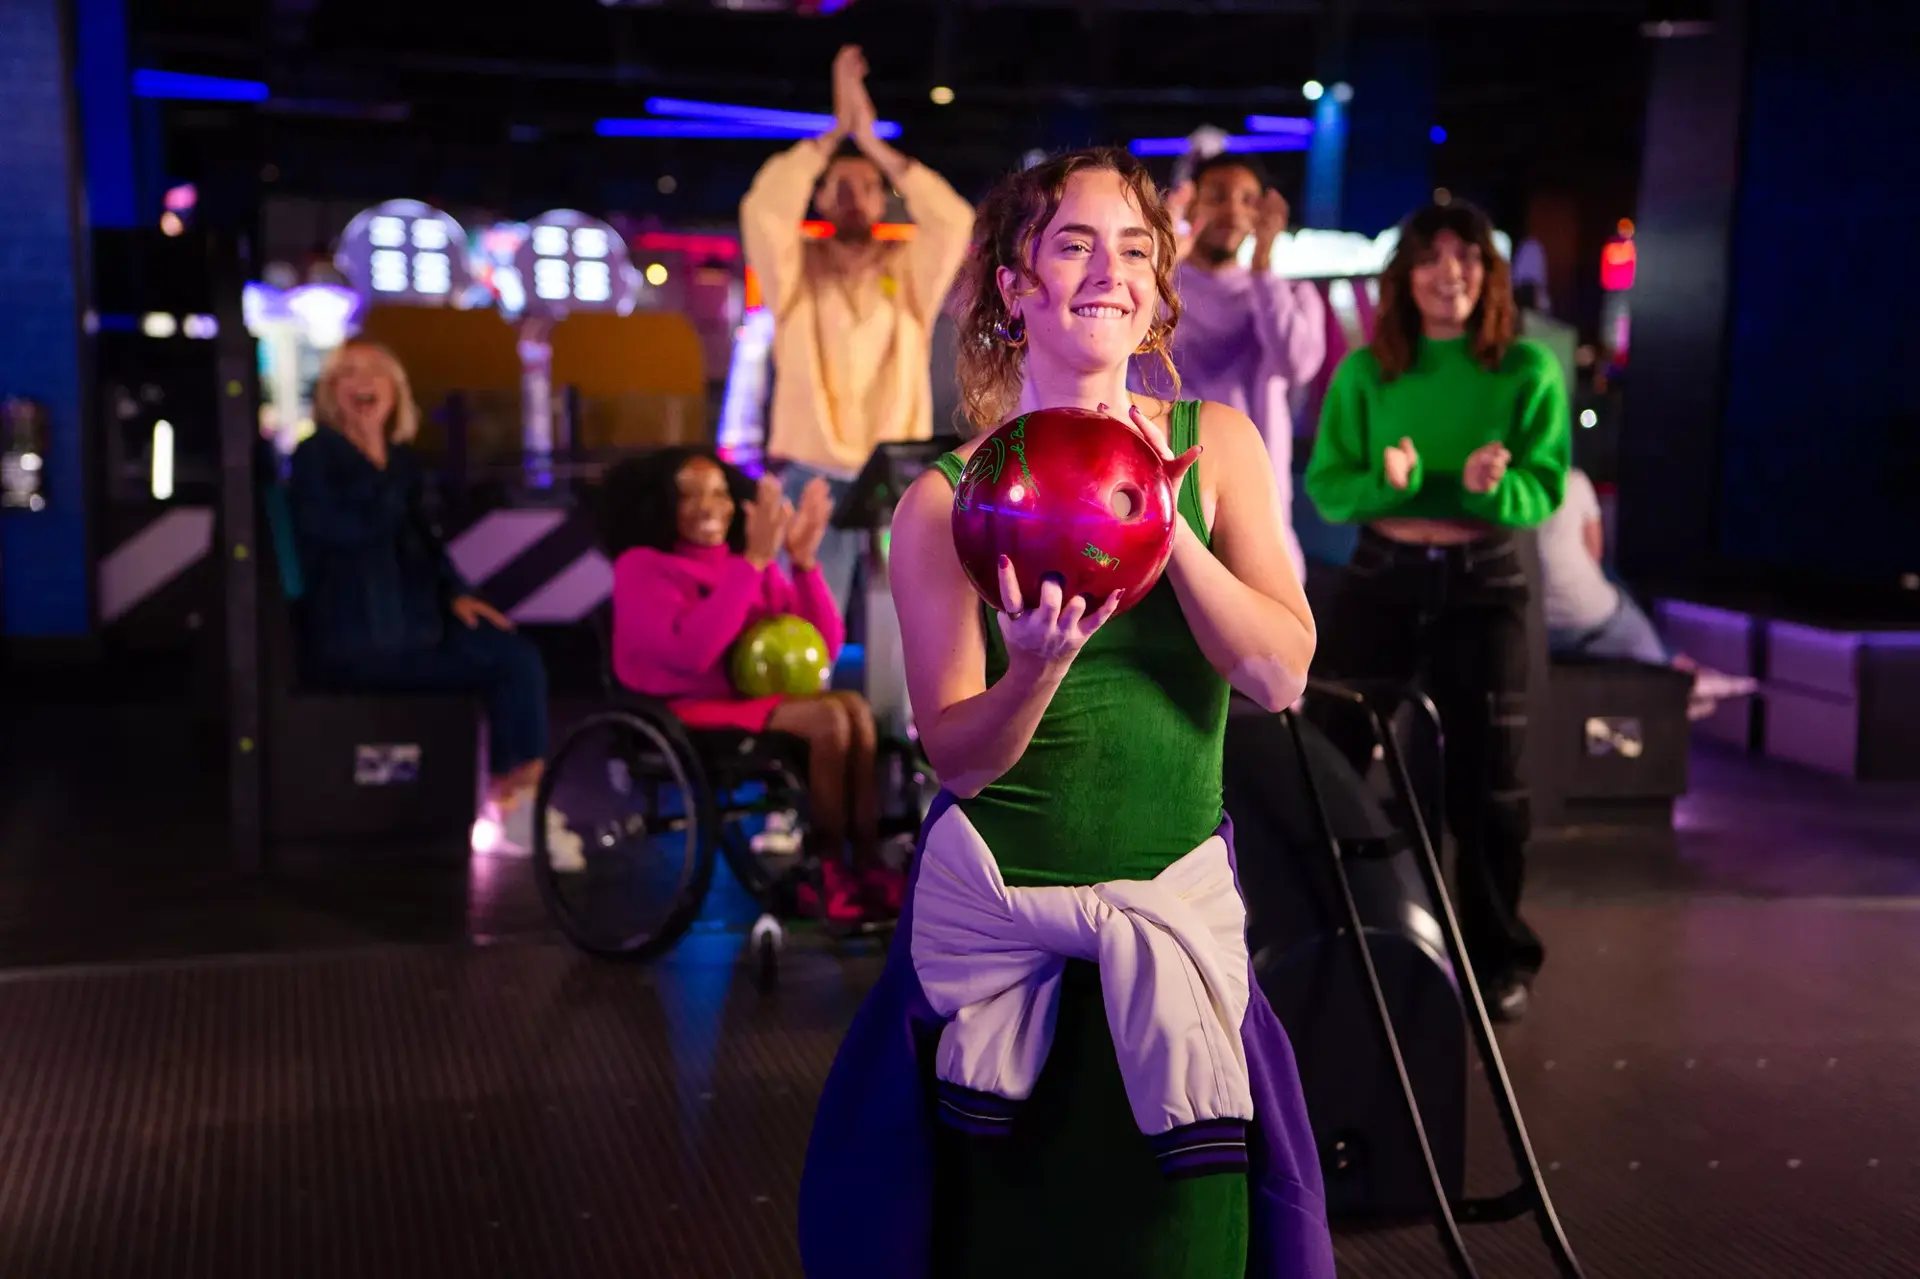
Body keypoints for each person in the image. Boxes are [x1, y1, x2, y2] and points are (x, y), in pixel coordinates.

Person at [799, 147, 1333, 1279]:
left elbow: (1278, 675)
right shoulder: (946, 499)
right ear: (1015, 285)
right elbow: (958, 760)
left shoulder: (1221, 448)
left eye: (1135, 247)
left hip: (1172, 932)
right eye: (1075, 243)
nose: (1112, 270)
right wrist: (1036, 669)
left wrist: (1163, 515)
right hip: (1002, 949)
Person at [1304, 200, 1569, 1023]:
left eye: (1466, 258)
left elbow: (1546, 485)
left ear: (1487, 275)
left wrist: (1500, 485)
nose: (1448, 272)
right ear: (1405, 276)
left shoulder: (1526, 368)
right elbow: (1328, 485)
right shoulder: (1366, 370)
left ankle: (1499, 961)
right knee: (1333, 759)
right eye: (1431, 258)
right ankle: (1327, 934)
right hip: (1381, 574)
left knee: (1489, 784)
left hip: (1483, 577)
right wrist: (1391, 482)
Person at [288, 342, 576, 866]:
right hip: (356, 638)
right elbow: (346, 533)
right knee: (493, 663)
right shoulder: (316, 456)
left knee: (517, 659)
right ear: (332, 393)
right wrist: (371, 451)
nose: (361, 380)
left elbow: (423, 544)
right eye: (347, 373)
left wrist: (457, 593)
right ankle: (512, 812)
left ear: (396, 390)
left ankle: (518, 803)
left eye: (375, 371)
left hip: (416, 624)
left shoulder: (403, 463)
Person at [603, 447, 897, 924]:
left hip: (752, 702)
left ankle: (866, 862)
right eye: (689, 495)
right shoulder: (643, 566)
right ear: (660, 504)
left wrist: (803, 564)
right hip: (683, 708)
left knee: (854, 710)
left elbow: (819, 645)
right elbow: (692, 655)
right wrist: (755, 561)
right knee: (828, 720)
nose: (708, 506)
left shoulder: (746, 564)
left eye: (719, 492)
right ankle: (823, 869)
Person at [739, 44, 975, 614]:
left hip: (894, 471)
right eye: (839, 185)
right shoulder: (794, 271)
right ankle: (812, 709)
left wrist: (870, 140)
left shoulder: (909, 271)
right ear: (817, 194)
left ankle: (899, 712)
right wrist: (830, 137)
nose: (853, 197)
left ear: (883, 199)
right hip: (810, 468)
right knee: (799, 616)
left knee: (907, 621)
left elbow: (954, 220)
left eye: (867, 185)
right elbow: (764, 210)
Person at [1140, 153, 1327, 580]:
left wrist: (1263, 265)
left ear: (1265, 212)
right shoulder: (1155, 291)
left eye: (1247, 199)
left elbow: (1296, 362)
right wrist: (1160, 264)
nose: (1232, 211)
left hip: (1261, 508)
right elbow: (1129, 345)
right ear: (1190, 205)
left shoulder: (1290, 294)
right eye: (1218, 196)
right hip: (1162, 497)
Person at [1539, 466, 1758, 718]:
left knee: (1610, 580)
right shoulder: (1572, 481)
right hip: (1587, 620)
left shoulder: (1496, 492)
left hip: (1532, 629)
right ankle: (1680, 673)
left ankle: (1680, 668)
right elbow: (1594, 552)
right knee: (1610, 578)